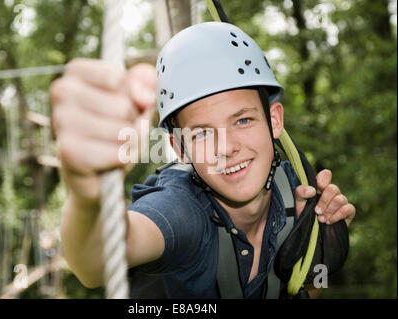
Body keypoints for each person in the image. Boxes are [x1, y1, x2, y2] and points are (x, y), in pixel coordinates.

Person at [50, 22, 355, 299]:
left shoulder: (297, 194)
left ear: (274, 121)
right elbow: (95, 263)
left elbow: (309, 289)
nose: (227, 147)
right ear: (180, 149)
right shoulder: (183, 211)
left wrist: (318, 259)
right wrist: (87, 193)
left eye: (244, 120)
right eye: (202, 134)